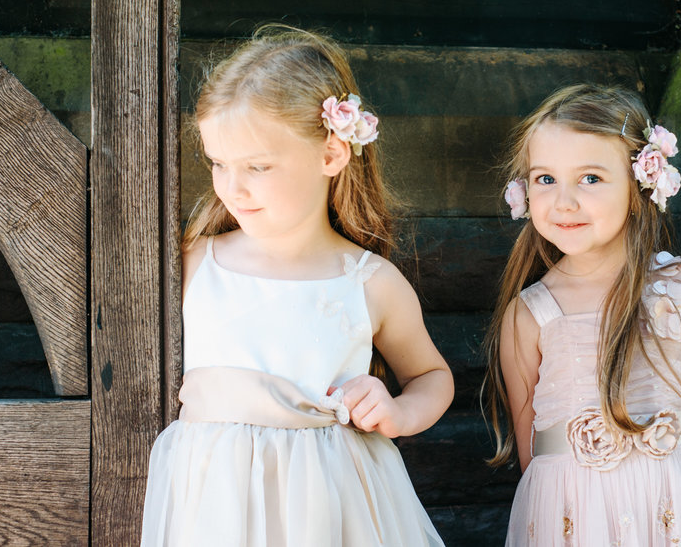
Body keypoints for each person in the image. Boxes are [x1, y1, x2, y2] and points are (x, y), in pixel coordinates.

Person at [141, 27, 453, 547]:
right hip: (215, 510)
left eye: (257, 167)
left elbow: (431, 375)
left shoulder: (369, 283)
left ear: (331, 154)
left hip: (333, 510)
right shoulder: (192, 263)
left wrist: (398, 411)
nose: (231, 187)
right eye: (218, 163)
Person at [482, 84, 681, 546]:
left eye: (589, 179)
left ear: (640, 183)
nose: (564, 201)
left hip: (680, 522)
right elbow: (535, 454)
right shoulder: (530, 316)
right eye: (545, 179)